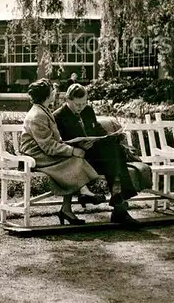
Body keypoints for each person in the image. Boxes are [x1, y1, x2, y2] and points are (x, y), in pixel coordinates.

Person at [53, 83, 141, 227]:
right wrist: (78, 145)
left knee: (115, 148)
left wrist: (111, 136)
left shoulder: (88, 110)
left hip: (94, 155)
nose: (80, 107)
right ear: (67, 100)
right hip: (76, 158)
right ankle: (119, 206)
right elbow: (58, 143)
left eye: (83, 103)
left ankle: (118, 201)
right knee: (115, 155)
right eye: (77, 104)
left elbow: (97, 130)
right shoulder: (58, 116)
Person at [20, 78, 105, 226]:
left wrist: (72, 148)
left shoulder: (43, 110)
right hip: (35, 156)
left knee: (74, 159)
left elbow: (52, 143)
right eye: (52, 91)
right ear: (47, 95)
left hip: (43, 151)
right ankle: (83, 192)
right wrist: (72, 150)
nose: (55, 92)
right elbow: (48, 147)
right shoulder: (37, 115)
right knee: (73, 159)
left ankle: (67, 209)